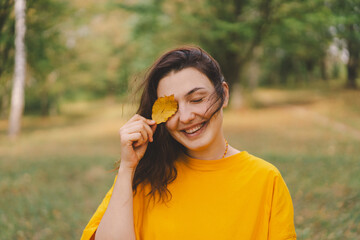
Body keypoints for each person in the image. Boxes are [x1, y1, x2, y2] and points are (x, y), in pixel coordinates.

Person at [81, 46, 297, 240]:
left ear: (224, 94)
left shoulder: (266, 180)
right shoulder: (142, 176)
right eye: (171, 107)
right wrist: (127, 168)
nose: (185, 117)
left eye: (196, 99)